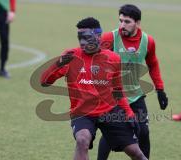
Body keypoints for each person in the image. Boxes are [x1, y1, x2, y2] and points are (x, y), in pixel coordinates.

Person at [40, 17, 148, 160]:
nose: (82, 42)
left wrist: (128, 112)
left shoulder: (113, 58)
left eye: (86, 37)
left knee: (135, 151)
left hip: (109, 111)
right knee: (82, 140)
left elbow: (117, 90)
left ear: (98, 36)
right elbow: (44, 82)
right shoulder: (71, 56)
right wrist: (58, 64)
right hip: (82, 113)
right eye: (80, 38)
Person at [97, 4, 168, 160]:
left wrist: (160, 90)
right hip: (113, 96)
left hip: (135, 95)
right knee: (111, 133)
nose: (122, 25)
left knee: (144, 132)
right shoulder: (109, 38)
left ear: (137, 23)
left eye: (127, 21)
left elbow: (153, 64)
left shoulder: (148, 41)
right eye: (120, 20)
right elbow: (92, 57)